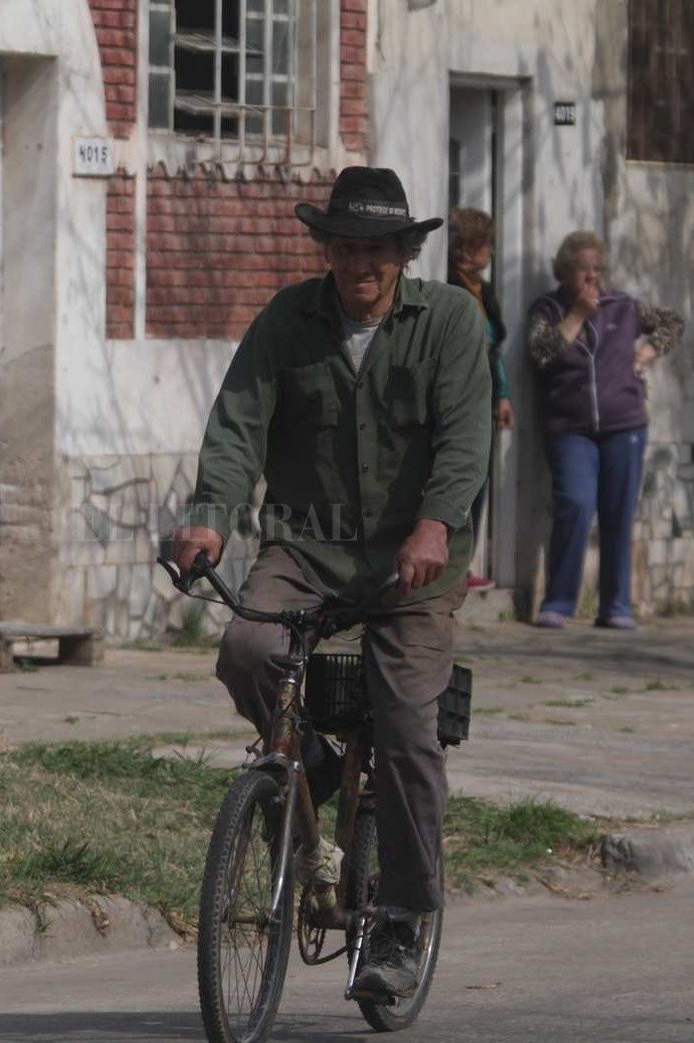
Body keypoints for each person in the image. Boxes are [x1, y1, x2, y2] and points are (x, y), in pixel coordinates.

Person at [167, 167, 490, 998]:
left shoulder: (450, 319)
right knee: (246, 647)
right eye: (346, 249)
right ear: (327, 250)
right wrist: (209, 517)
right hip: (306, 549)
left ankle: (401, 919)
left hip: (413, 563)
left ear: (403, 254)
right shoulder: (288, 320)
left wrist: (435, 523)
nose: (361, 265)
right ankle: (301, 756)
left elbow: (463, 438)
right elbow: (238, 423)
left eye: (377, 250)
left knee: (407, 729)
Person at [527, 231, 683, 630]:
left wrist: (648, 352)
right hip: (570, 427)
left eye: (598, 270)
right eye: (584, 271)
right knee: (576, 504)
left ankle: (616, 606)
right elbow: (543, 353)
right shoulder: (547, 309)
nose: (593, 278)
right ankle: (559, 602)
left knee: (618, 512)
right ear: (564, 273)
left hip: (624, 423)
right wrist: (577, 314)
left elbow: (671, 321)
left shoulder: (625, 307)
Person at [447, 207, 514, 589]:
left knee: (479, 483)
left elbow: (492, 350)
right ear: (467, 248)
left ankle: (463, 564)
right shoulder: (449, 288)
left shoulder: (483, 293)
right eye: (484, 243)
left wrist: (503, 394)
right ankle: (451, 564)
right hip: (457, 400)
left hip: (483, 399)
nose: (490, 251)